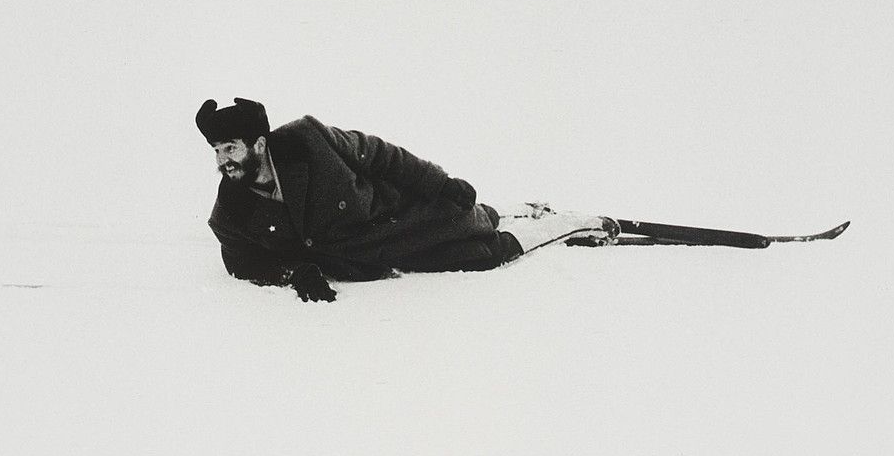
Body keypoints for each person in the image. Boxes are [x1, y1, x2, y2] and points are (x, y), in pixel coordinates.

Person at [196, 97, 609, 302]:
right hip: (370, 257)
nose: (223, 161)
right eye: (216, 150)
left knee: (476, 224)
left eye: (230, 148)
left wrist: (440, 183)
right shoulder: (230, 213)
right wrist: (293, 273)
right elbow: (242, 262)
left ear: (260, 143)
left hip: (397, 214)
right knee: (481, 254)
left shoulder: (308, 140)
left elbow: (381, 156)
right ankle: (542, 222)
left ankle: (564, 222)